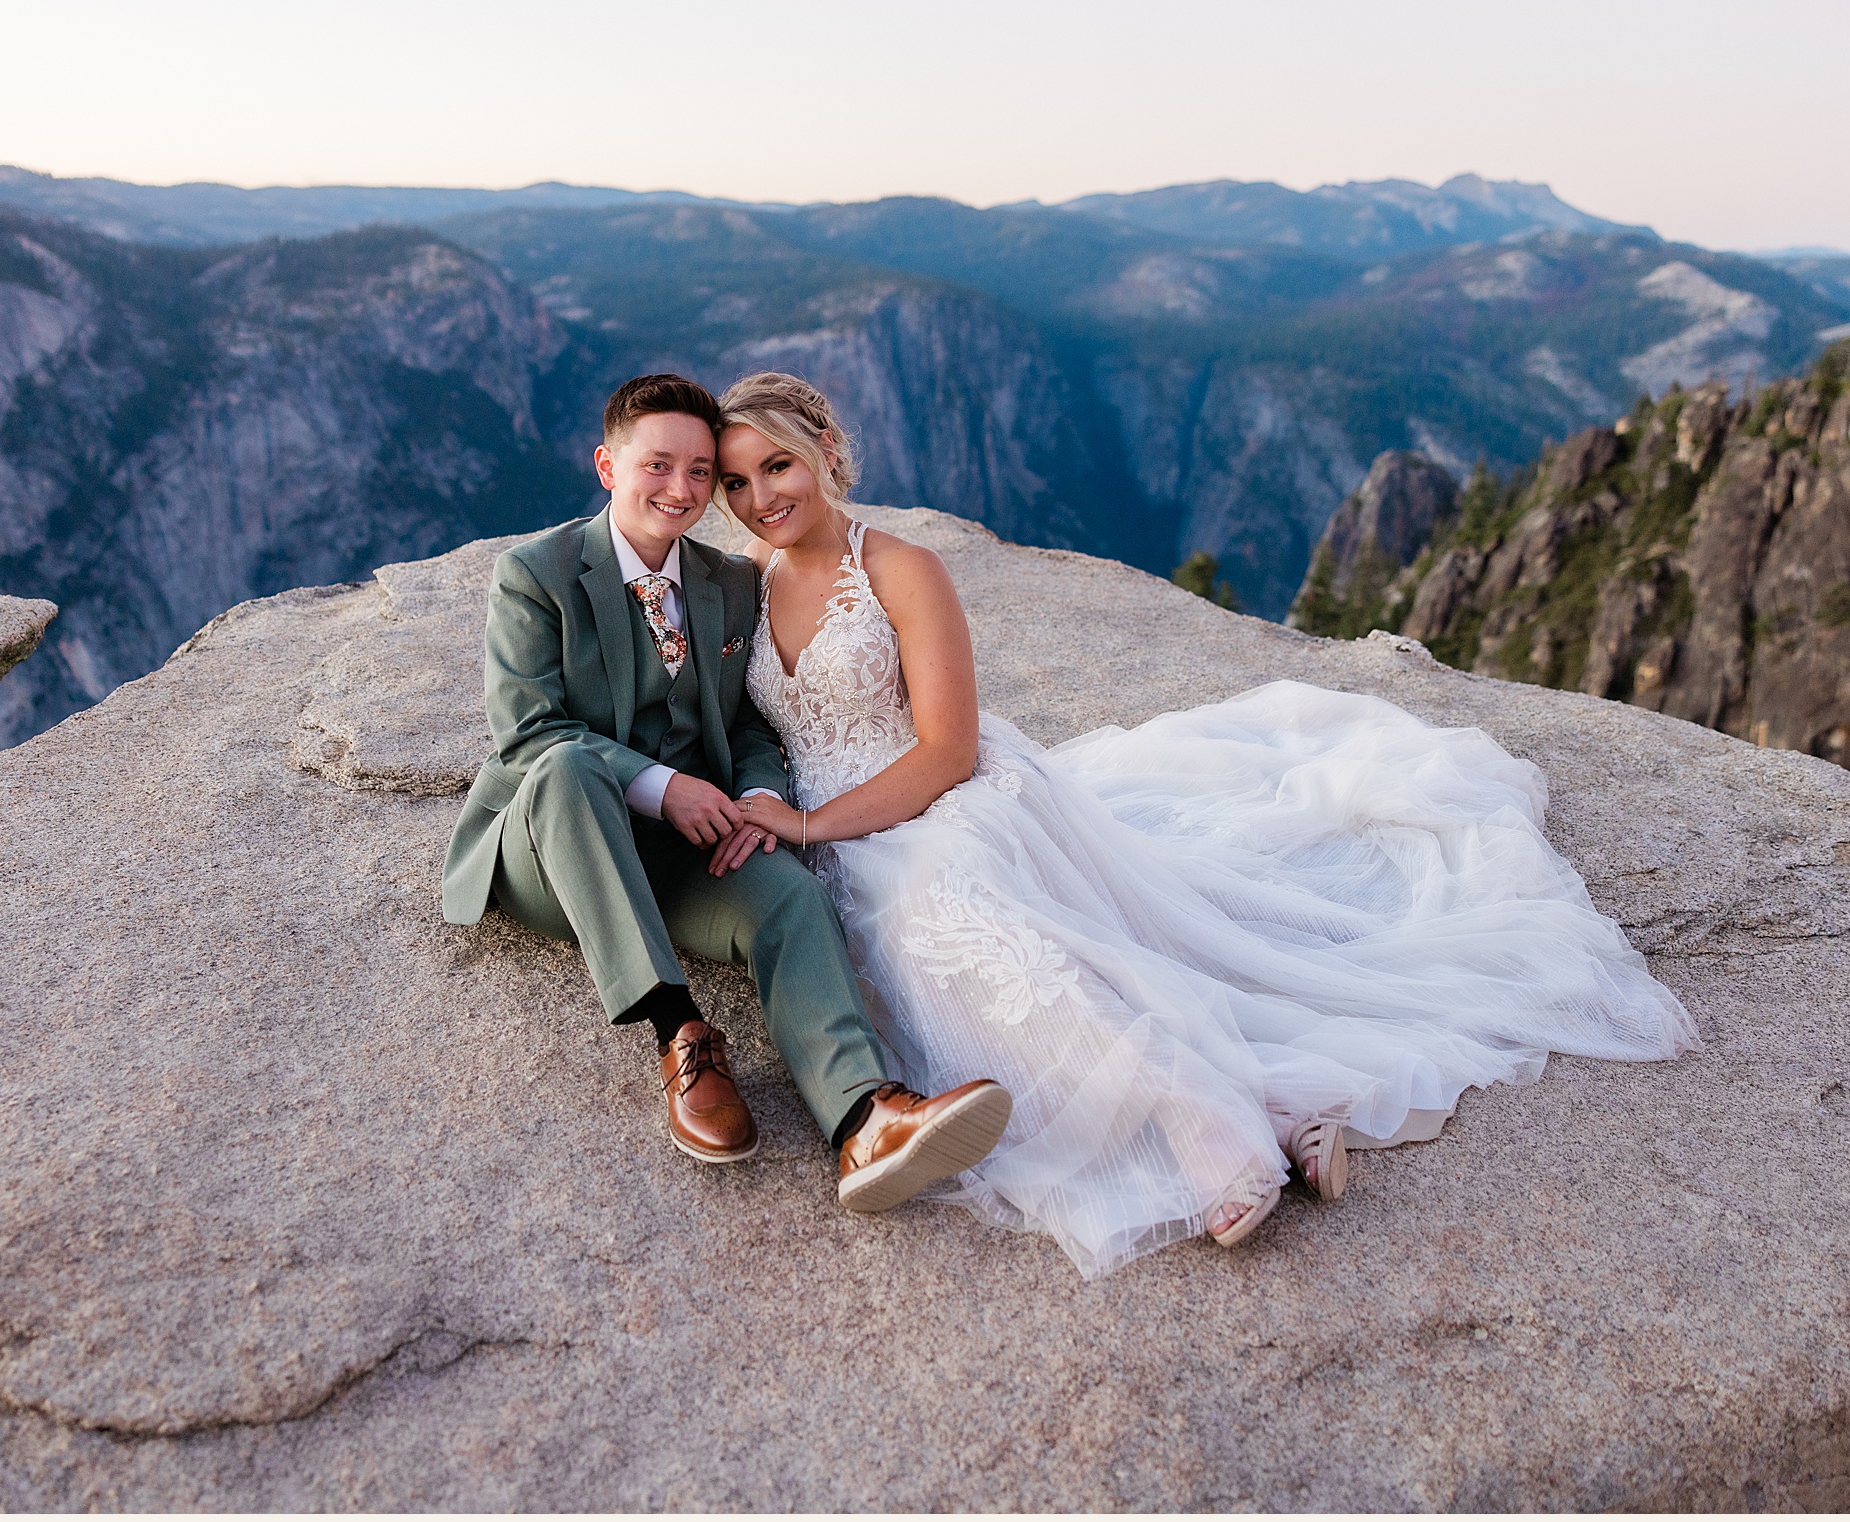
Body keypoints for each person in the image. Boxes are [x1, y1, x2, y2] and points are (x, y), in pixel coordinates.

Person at [715, 370, 1701, 1278]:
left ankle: (1202, 1119)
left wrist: (815, 826)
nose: (760, 495)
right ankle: (1274, 1098)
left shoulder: (900, 568)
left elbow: (946, 750)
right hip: (834, 832)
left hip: (938, 797)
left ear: (825, 451)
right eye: (736, 481)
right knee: (908, 962)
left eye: (778, 465)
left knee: (954, 918)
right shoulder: (743, 587)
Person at [440, 374, 1012, 1213]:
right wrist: (666, 787)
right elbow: (529, 735)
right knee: (566, 768)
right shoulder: (536, 576)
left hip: (674, 857)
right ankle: (681, 1032)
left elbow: (750, 722)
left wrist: (754, 798)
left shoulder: (730, 581)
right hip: (551, 853)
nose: (682, 489)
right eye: (657, 465)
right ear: (608, 465)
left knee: (787, 891)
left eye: (703, 473)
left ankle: (865, 1117)